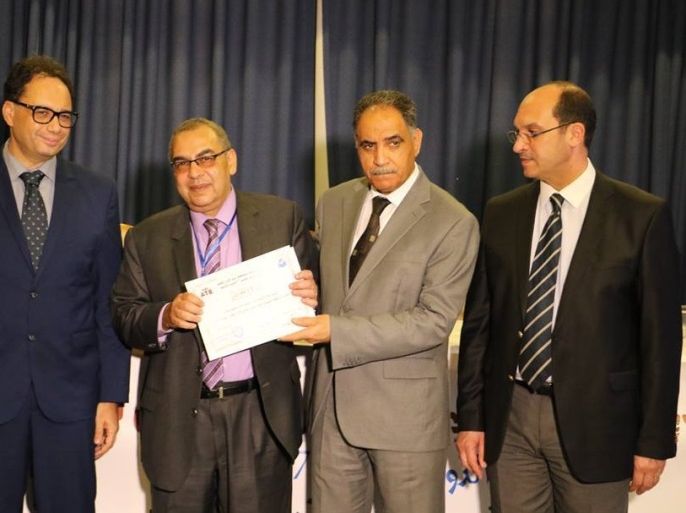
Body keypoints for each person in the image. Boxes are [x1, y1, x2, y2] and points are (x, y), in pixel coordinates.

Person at [456, 81, 682, 513]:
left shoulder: (641, 216)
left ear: (574, 134)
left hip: (599, 425)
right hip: (512, 419)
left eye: (532, 133)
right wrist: (471, 418)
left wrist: (654, 441)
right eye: (517, 133)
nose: (518, 145)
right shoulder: (502, 212)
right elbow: (480, 325)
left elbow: (661, 341)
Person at [280, 90, 479, 513]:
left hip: (405, 422)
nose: (380, 158)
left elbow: (433, 322)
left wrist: (336, 329)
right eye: (367, 146)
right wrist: (312, 293)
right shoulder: (334, 202)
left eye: (393, 142)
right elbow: (342, 291)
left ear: (416, 141)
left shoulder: (453, 220)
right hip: (331, 411)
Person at [111, 117, 318, 513]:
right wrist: (166, 315)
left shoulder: (282, 218)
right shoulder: (146, 237)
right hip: (178, 423)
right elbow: (124, 317)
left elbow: (316, 302)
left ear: (231, 160)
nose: (195, 173)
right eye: (182, 163)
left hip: (260, 414)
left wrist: (313, 295)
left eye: (206, 158)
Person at [0, 55, 130, 512]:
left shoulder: (98, 193)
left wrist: (110, 396)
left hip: (70, 402)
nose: (56, 126)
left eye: (65, 116)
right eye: (42, 112)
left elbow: (107, 300)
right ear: (10, 111)